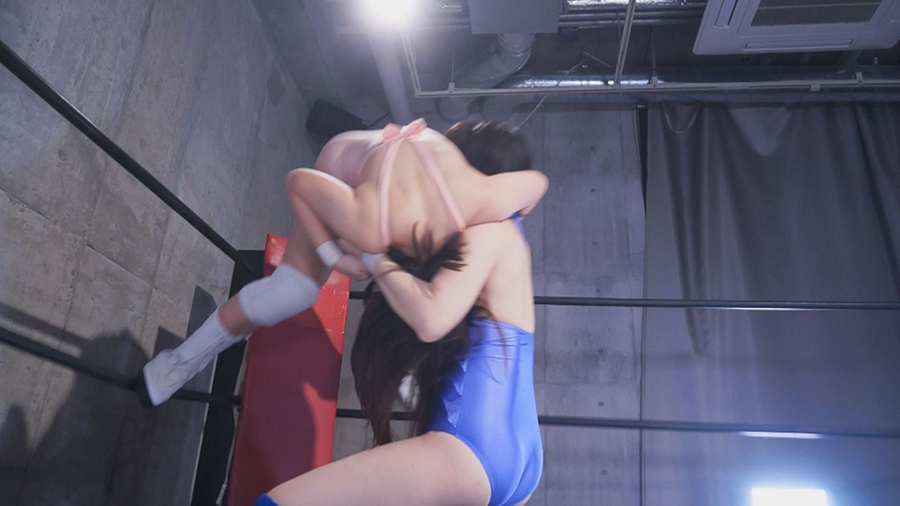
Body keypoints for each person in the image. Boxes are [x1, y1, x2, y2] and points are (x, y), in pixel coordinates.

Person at [138, 120, 548, 407]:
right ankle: (176, 365)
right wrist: (334, 256)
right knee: (292, 292)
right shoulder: (374, 227)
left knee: (421, 290)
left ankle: (406, 364)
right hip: (340, 173)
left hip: (391, 198)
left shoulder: (486, 197)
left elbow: (537, 183)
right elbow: (299, 182)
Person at [259, 211, 543, 505]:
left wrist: (373, 259)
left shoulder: (488, 230)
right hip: (525, 460)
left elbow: (430, 320)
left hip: (472, 444)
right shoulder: (509, 229)